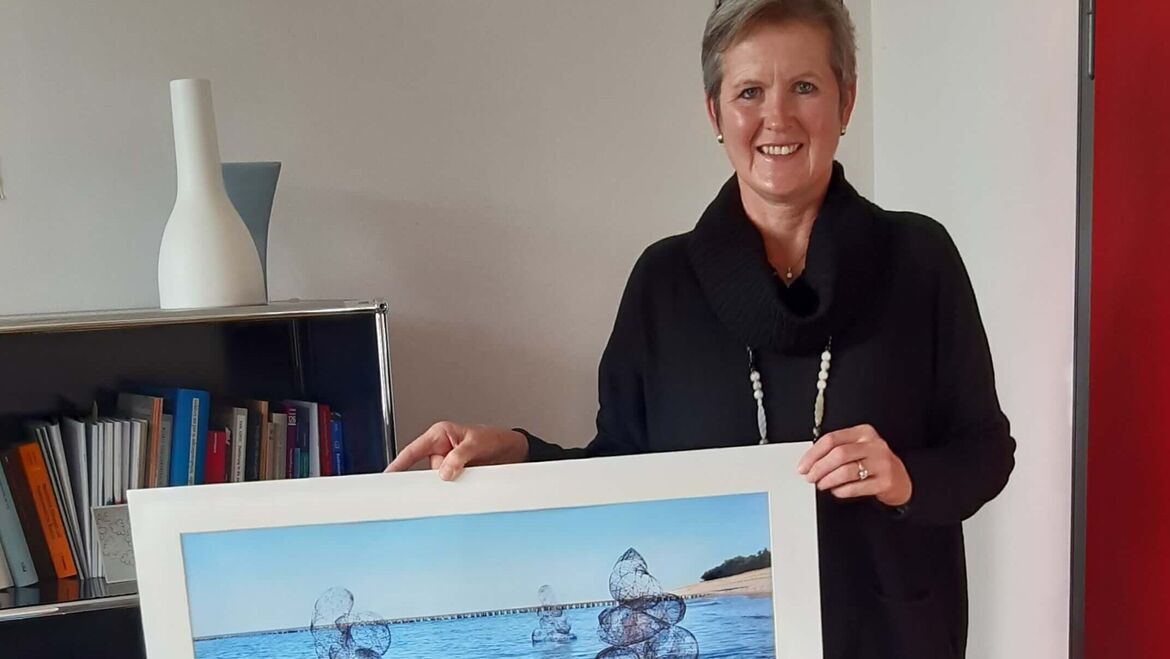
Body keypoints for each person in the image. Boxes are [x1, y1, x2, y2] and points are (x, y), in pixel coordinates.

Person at [387, 1, 1015, 657]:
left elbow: (985, 452)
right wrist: (517, 453)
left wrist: (902, 477)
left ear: (846, 101)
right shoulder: (663, 283)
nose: (777, 117)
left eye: (804, 86)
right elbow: (622, 473)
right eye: (749, 92)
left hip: (896, 638)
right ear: (716, 114)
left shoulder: (918, 259)